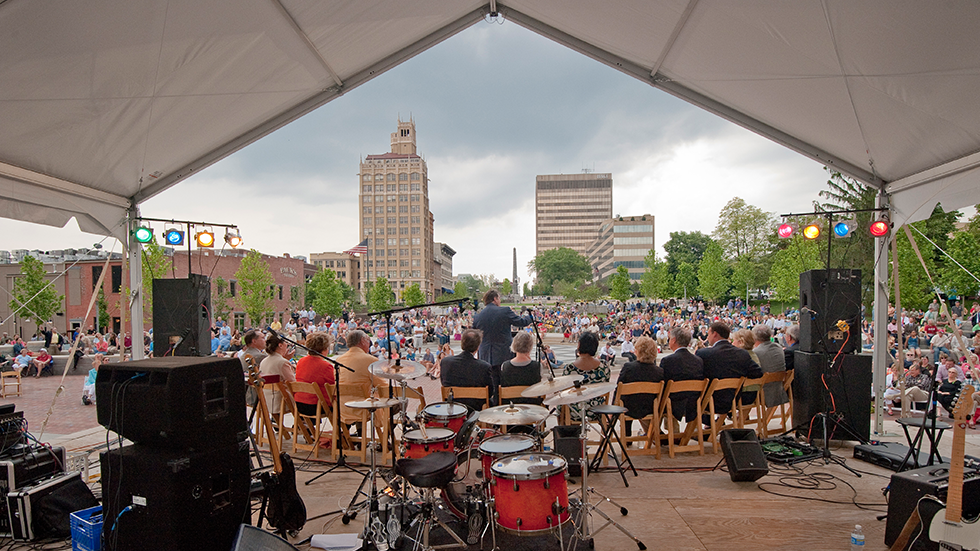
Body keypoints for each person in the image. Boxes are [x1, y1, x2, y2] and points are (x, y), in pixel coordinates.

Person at [472, 289, 533, 404]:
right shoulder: (504, 311)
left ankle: (493, 408)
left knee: (492, 386)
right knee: (504, 384)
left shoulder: (478, 316)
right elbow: (520, 322)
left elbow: (474, 334)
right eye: (499, 298)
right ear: (495, 299)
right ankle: (505, 406)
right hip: (503, 354)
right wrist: (531, 318)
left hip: (485, 356)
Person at [696, 321, 762, 420]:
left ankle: (708, 426)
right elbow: (758, 373)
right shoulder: (742, 354)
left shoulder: (703, 354)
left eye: (709, 334)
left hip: (710, 401)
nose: (707, 337)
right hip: (734, 400)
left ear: (715, 334)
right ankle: (715, 424)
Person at [335, 330, 383, 429]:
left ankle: (359, 433)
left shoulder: (339, 360)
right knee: (396, 402)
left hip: (343, 409)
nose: (369, 343)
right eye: (368, 340)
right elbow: (383, 386)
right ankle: (386, 437)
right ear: (362, 341)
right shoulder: (370, 360)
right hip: (364, 408)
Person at [616, 336, 663, 437]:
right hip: (649, 407)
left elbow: (619, 388)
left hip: (628, 408)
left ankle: (626, 435)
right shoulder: (659, 372)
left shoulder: (629, 368)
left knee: (626, 398)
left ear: (637, 351)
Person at [440, 329, 494, 412]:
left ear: (462, 344)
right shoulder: (484, 367)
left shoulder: (445, 362)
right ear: (478, 346)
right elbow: (490, 393)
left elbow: (444, 383)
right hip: (476, 410)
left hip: (454, 408)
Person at [660, 326, 704, 424]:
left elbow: (662, 384)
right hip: (694, 404)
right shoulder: (698, 360)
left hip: (673, 404)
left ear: (674, 340)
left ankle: (664, 433)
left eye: (670, 339)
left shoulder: (668, 361)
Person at [562, 332, 611, 422]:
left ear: (579, 345)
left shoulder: (570, 368)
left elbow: (564, 390)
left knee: (560, 406)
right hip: (597, 410)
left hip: (575, 411)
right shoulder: (604, 367)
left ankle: (566, 433)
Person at [293, 332, 334, 416]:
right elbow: (332, 388)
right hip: (317, 406)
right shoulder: (326, 366)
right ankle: (342, 428)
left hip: (299, 403)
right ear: (324, 349)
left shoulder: (301, 361)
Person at [500, 331, 542, 405]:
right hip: (533, 407)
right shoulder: (537, 366)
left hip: (511, 407)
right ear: (530, 346)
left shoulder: (505, 366)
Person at [259, 332, 295, 416]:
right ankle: (304, 424)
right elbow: (293, 383)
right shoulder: (282, 362)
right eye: (286, 343)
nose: (287, 345)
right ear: (280, 345)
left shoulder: (264, 361)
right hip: (281, 402)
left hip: (267, 400)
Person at [751, 324, 788, 407]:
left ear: (754, 337)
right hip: (779, 389)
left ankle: (742, 417)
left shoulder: (756, 352)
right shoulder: (778, 347)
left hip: (764, 391)